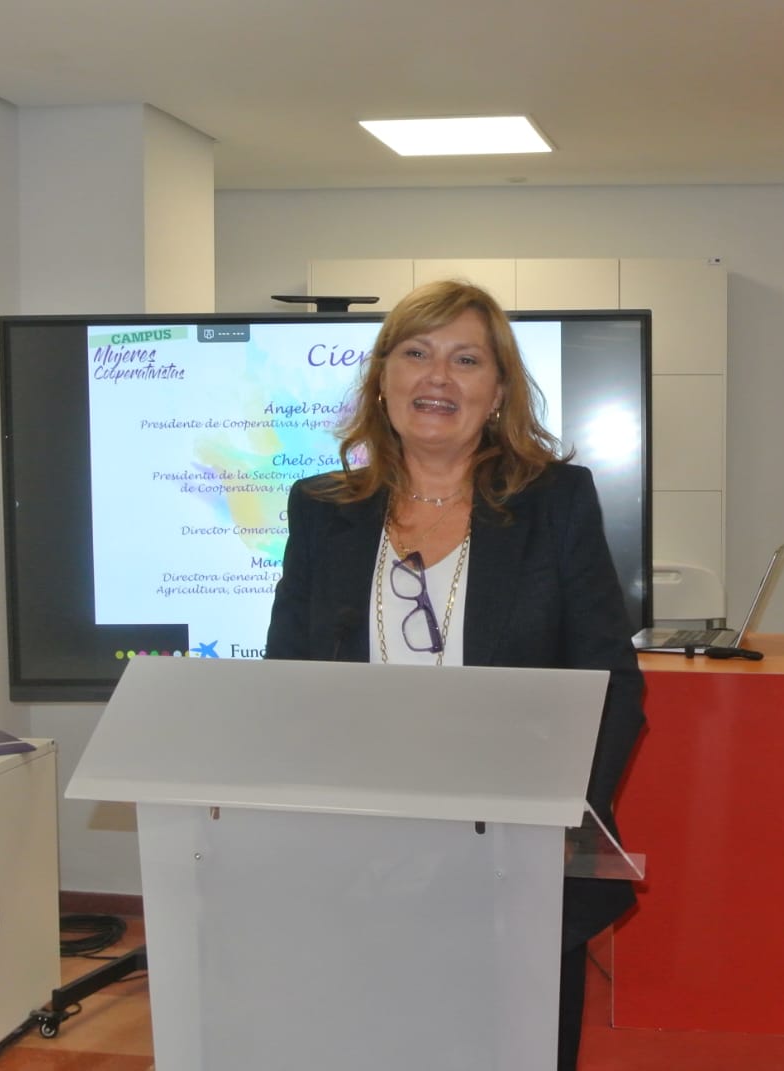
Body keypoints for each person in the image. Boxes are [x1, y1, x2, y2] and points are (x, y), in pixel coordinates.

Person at [264, 278, 644, 1070]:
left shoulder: (557, 503)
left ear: (498, 391)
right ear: (383, 379)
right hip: (355, 862)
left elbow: (611, 682)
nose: (437, 377)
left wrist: (548, 822)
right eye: (416, 353)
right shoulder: (320, 509)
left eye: (466, 359)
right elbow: (285, 682)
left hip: (513, 861)